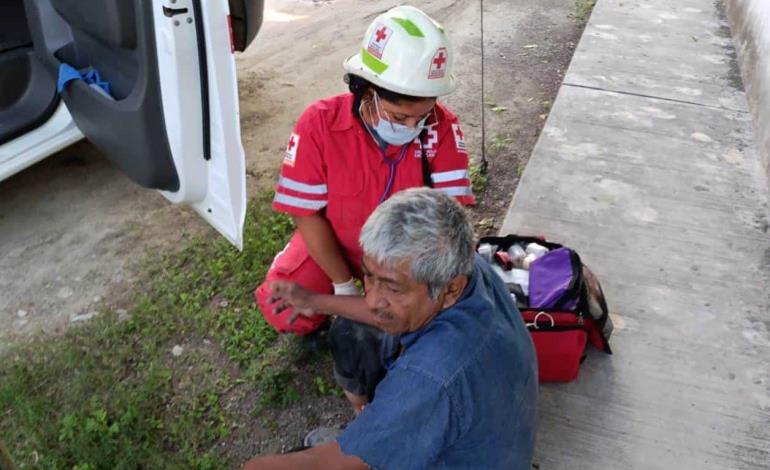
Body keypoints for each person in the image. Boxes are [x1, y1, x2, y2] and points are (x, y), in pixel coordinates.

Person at [243, 188, 538, 470]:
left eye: (393, 287)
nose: (371, 299)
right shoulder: (463, 264)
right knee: (352, 330)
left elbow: (328, 465)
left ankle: (371, 433)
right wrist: (313, 301)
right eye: (369, 276)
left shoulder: (430, 379)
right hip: (498, 439)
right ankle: (371, 428)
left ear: (450, 290)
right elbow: (383, 309)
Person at [255, 5, 475, 337]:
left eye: (423, 115)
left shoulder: (442, 129)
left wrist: (404, 287)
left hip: (406, 261)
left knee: (428, 314)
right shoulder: (319, 124)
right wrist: (343, 286)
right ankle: (325, 322)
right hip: (338, 246)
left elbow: (449, 224)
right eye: (400, 118)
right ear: (365, 90)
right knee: (280, 302)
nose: (413, 127)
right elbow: (306, 214)